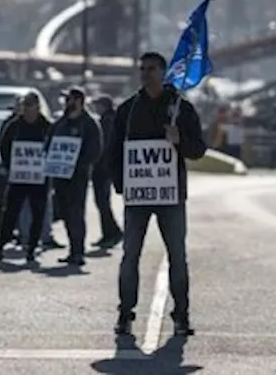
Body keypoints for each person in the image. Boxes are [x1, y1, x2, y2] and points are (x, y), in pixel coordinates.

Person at [108, 51, 207, 337]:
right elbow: (113, 152)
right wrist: (122, 184)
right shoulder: (127, 110)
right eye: (142, 69)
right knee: (130, 255)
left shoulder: (181, 108)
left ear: (164, 72)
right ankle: (125, 315)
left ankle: (181, 316)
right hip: (137, 197)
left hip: (170, 196)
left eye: (151, 69)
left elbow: (198, 149)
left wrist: (180, 141)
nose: (146, 74)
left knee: (177, 254)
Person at [0, 91, 52, 264]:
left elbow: (53, 151)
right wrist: (10, 166)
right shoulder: (14, 126)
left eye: (30, 106)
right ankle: (0, 246)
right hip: (18, 177)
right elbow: (4, 146)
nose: (26, 109)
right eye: (25, 106)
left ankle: (31, 248)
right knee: (10, 212)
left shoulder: (47, 127)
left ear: (37, 107)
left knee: (38, 213)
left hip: (39, 179)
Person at [46, 87, 103, 266]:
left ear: (78, 100)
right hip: (60, 176)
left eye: (69, 99)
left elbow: (95, 150)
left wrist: (79, 163)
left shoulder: (89, 124)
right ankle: (72, 249)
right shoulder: (60, 123)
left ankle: (78, 251)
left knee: (76, 212)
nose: (67, 103)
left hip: (78, 176)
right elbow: (49, 142)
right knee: (65, 213)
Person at [90, 95, 123, 249]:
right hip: (105, 168)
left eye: (97, 105)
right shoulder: (110, 120)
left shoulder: (107, 122)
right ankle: (110, 232)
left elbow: (106, 146)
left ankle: (112, 232)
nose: (95, 107)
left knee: (102, 202)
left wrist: (99, 162)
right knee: (102, 202)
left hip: (103, 169)